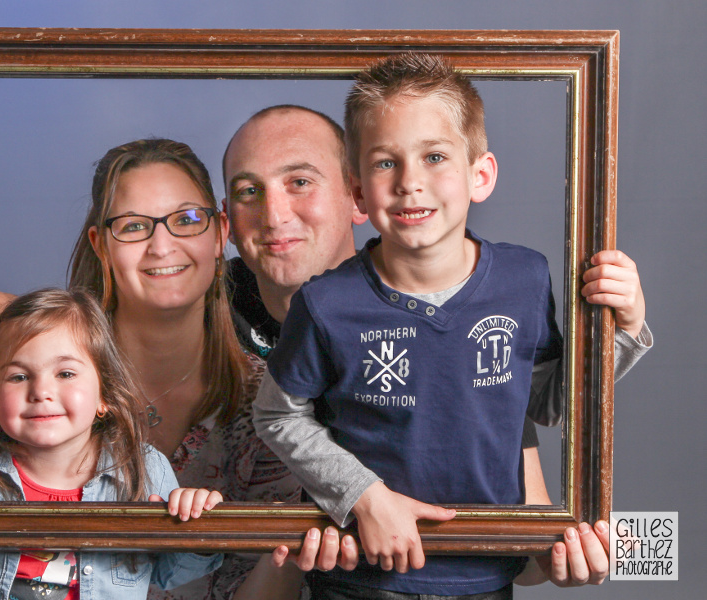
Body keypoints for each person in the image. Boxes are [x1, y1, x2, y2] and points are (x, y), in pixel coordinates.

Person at [252, 53, 650, 598]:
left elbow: (549, 405)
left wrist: (624, 330)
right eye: (385, 163)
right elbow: (276, 412)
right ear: (359, 193)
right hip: (362, 576)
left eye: (434, 156)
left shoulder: (524, 277)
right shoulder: (326, 302)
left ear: (479, 175)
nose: (410, 182)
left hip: (485, 570)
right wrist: (363, 495)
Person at [0, 139, 317, 599]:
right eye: (133, 226)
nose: (161, 246)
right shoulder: (39, 383)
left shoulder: (270, 403)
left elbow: (268, 575)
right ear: (100, 243)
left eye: (186, 220)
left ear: (219, 233)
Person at [0, 288, 224, 600]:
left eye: (65, 373)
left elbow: (168, 574)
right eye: (18, 376)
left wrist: (196, 527)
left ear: (104, 395)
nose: (41, 392)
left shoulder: (143, 468)